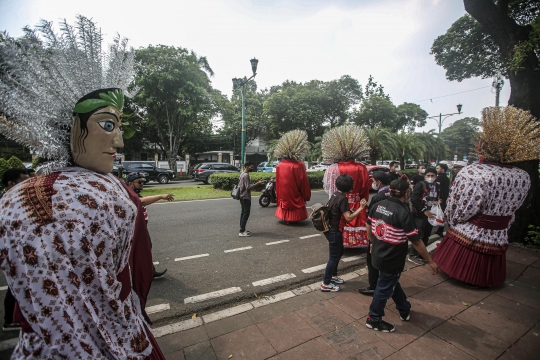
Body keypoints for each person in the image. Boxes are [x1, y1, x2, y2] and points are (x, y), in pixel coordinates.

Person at [0, 17, 165, 358]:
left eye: (119, 127)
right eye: (108, 125)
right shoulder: (113, 193)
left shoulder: (10, 199)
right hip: (118, 340)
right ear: (73, 127)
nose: (118, 142)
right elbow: (131, 271)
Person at [433, 106, 535, 287]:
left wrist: (452, 219)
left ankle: (463, 274)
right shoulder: (523, 176)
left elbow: (459, 207)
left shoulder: (474, 172)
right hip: (500, 230)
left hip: (471, 229)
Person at [366, 176, 439, 332]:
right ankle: (373, 318)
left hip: (378, 254)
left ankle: (404, 308)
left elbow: (369, 225)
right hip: (392, 258)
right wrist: (430, 261)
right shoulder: (403, 212)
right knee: (384, 287)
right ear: (406, 193)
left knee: (391, 281)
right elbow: (417, 241)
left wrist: (372, 242)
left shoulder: (378, 205)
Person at [322, 125, 371, 248]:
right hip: (355, 201)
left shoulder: (333, 168)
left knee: (340, 222)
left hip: (338, 201)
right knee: (354, 220)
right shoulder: (360, 167)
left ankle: (342, 242)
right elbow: (365, 186)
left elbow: (331, 188)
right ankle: (356, 242)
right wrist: (363, 201)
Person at [321, 174, 367, 292]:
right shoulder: (343, 198)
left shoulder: (336, 195)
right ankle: (326, 283)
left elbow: (336, 210)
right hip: (334, 231)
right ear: (350, 187)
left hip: (332, 229)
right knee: (333, 257)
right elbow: (348, 217)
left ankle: (333, 276)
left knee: (339, 251)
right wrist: (361, 208)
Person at [125, 172, 174, 278]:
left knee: (146, 247)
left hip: (140, 228)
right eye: (139, 182)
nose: (142, 184)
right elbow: (141, 202)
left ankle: (150, 271)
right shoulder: (127, 194)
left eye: (143, 181)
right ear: (130, 183)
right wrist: (161, 196)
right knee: (133, 251)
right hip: (132, 229)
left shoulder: (134, 193)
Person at [1, 169, 30, 332]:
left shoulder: (17, 199)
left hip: (20, 251)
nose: (29, 184)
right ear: (11, 184)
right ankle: (10, 320)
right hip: (12, 252)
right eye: (24, 181)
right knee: (15, 286)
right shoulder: (6, 201)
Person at [358, 172, 390, 296]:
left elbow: (370, 217)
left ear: (379, 182)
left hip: (377, 232)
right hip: (388, 232)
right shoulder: (391, 193)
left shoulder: (378, 197)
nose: (373, 183)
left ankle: (373, 286)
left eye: (374, 181)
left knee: (372, 260)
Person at [273, 130, 311, 223]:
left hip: (283, 194)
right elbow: (303, 182)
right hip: (295, 193)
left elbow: (278, 183)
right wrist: (306, 195)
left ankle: (286, 218)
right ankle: (294, 219)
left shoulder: (280, 165)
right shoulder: (299, 165)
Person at [408, 167, 441, 265]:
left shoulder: (437, 186)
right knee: (419, 235)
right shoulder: (421, 185)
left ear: (436, 176)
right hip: (420, 214)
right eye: (428, 175)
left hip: (432, 213)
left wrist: (439, 200)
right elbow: (414, 199)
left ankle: (421, 254)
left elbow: (439, 196)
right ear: (425, 176)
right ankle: (412, 255)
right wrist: (424, 210)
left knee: (426, 234)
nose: (430, 177)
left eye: (432, 176)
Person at [238, 162, 264, 237]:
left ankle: (242, 229)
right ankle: (242, 231)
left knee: (243, 213)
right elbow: (248, 187)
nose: (252, 168)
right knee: (246, 214)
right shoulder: (246, 175)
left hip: (242, 196)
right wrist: (257, 183)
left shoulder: (242, 173)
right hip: (245, 197)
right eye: (250, 167)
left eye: (252, 167)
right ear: (246, 166)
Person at [435, 163, 450, 236]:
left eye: (438, 168)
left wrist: (439, 198)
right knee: (441, 214)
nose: (436, 169)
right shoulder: (446, 177)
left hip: (440, 199)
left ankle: (441, 230)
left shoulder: (440, 178)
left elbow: (438, 189)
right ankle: (440, 230)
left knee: (440, 214)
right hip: (444, 198)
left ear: (443, 169)